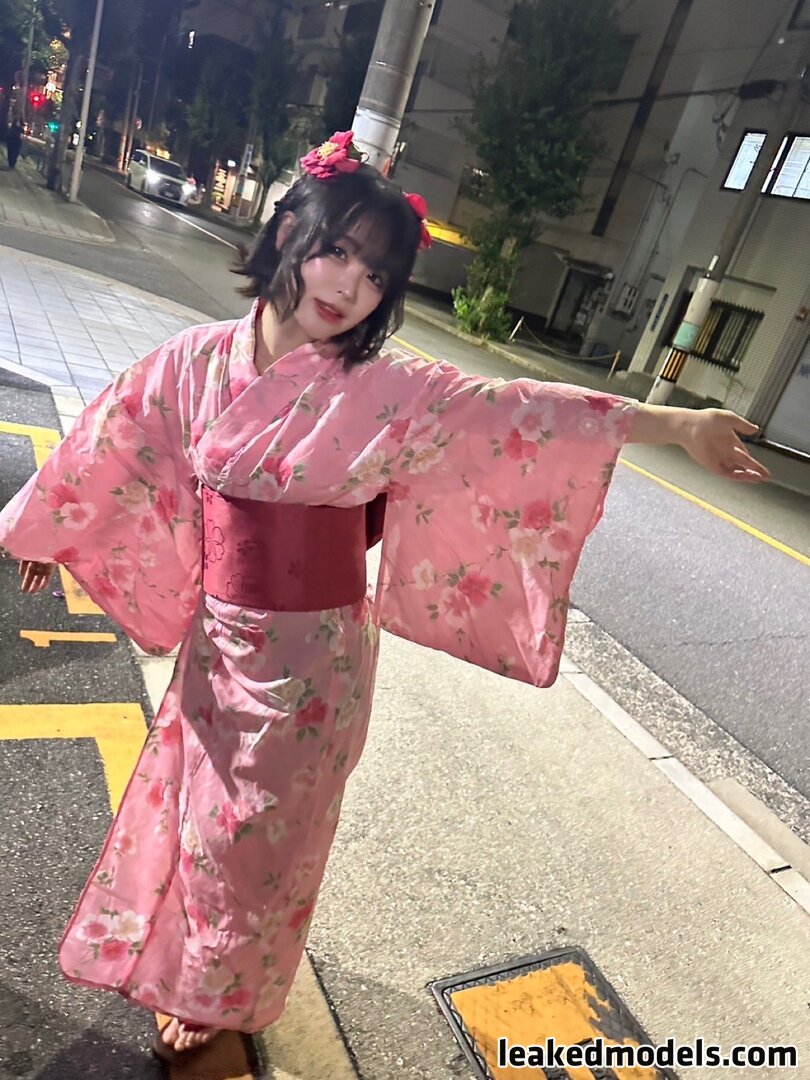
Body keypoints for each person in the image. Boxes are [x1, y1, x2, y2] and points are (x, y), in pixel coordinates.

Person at [0, 131, 769, 1063]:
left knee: (262, 844)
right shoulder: (196, 361)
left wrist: (678, 424)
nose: (349, 284)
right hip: (219, 644)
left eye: (374, 273)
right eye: (335, 249)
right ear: (287, 232)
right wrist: (53, 527)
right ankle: (199, 965)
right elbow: (119, 433)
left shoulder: (388, 390)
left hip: (312, 667)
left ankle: (220, 992)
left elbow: (517, 412)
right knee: (204, 818)